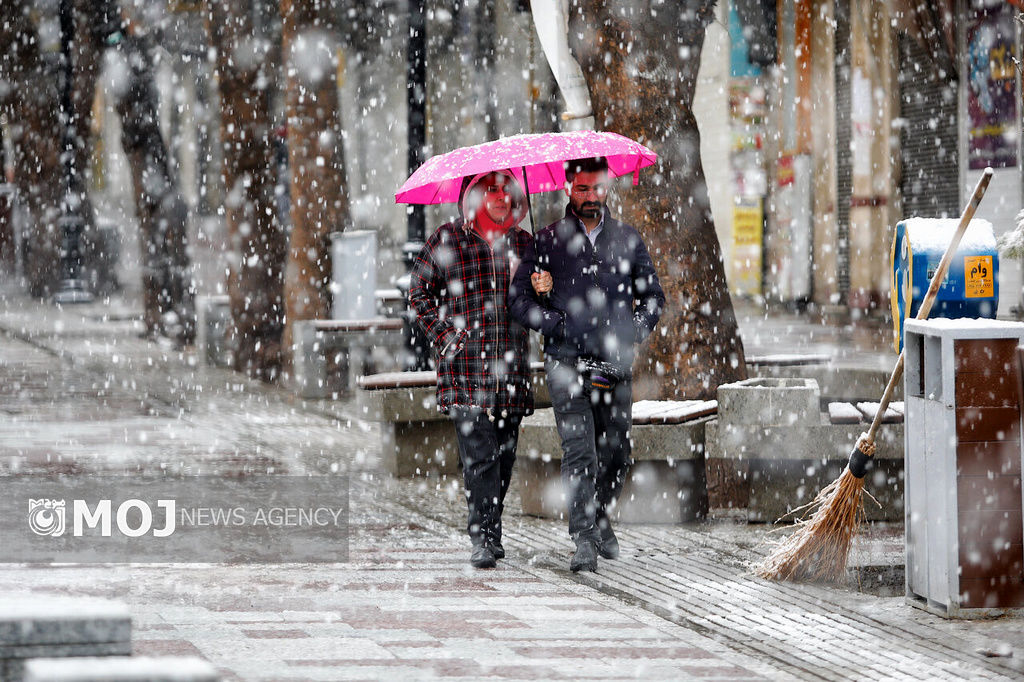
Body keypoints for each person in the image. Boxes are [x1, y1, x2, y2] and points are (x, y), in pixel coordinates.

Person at [508, 156, 665, 572]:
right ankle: (584, 539)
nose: (592, 197)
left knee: (616, 452)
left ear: (607, 187)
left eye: (598, 188)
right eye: (583, 189)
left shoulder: (627, 239)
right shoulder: (546, 243)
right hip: (566, 362)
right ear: (567, 189)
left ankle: (599, 516)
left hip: (612, 364)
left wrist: (635, 329)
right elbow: (517, 301)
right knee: (579, 452)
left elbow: (653, 297)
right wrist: (550, 316)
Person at [408, 170, 534, 569]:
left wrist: (533, 283)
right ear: (472, 198)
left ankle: (490, 527)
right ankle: (483, 536)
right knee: (479, 457)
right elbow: (417, 292)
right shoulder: (448, 239)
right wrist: (446, 337)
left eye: (506, 190)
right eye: (490, 190)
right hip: (465, 372)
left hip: (510, 372)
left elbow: (542, 304)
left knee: (504, 456)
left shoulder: (524, 242)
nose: (500, 196)